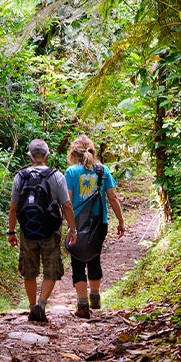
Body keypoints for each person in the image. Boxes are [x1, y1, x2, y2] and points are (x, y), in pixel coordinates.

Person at [7, 139, 77, 323]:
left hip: (27, 231)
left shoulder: (20, 176)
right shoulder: (56, 176)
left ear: (30, 156)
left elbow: (13, 208)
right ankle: (42, 304)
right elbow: (67, 206)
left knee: (29, 271)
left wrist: (11, 231)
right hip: (51, 231)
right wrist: (72, 229)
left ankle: (32, 307)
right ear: (47, 156)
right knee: (51, 270)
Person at [64, 135, 126, 318]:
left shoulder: (71, 172)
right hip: (100, 223)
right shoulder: (103, 170)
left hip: (77, 223)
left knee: (77, 261)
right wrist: (121, 222)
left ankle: (82, 305)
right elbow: (113, 198)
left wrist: (68, 224)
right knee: (94, 257)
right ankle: (95, 298)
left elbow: (67, 201)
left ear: (73, 153)